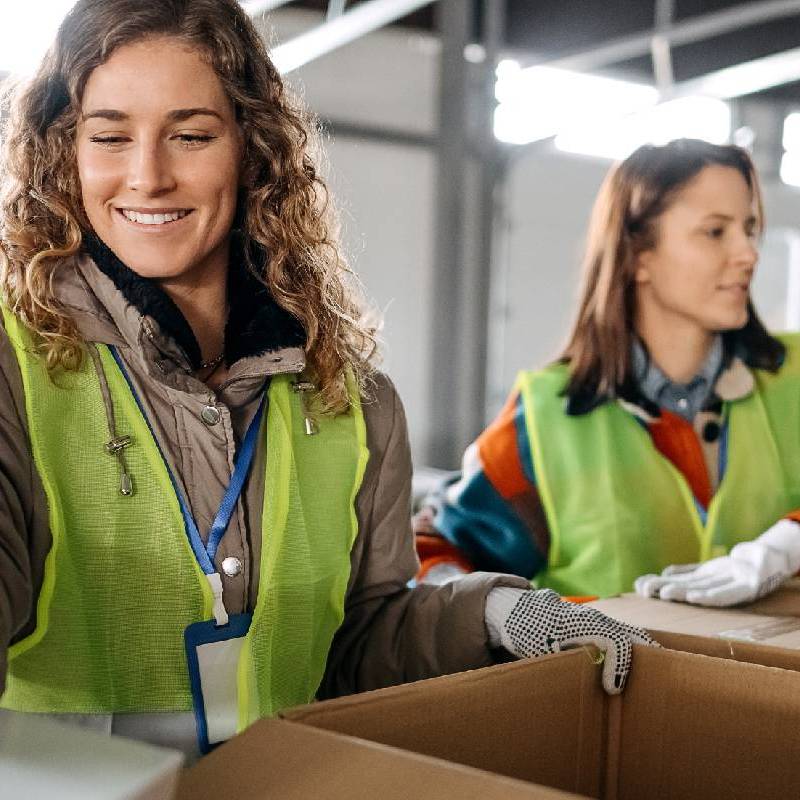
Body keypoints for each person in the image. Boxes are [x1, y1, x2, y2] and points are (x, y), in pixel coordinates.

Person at [0, 0, 651, 760]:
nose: (147, 175)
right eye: (109, 136)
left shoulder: (350, 401)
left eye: (191, 135)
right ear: (63, 153)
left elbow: (359, 638)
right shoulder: (17, 369)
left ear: (252, 148)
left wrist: (496, 615)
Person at [416, 138, 800, 608]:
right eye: (716, 232)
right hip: (607, 681)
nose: (749, 253)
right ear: (639, 254)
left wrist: (790, 540)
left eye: (750, 227)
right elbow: (435, 551)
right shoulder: (544, 417)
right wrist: (504, 613)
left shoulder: (793, 376)